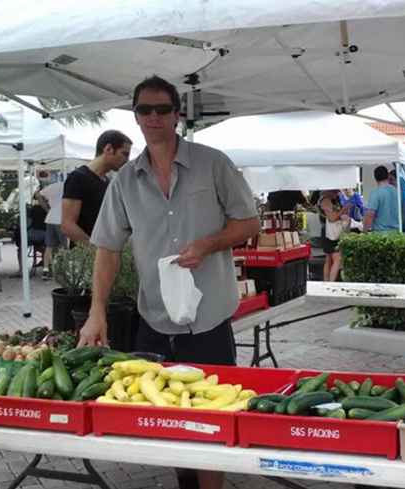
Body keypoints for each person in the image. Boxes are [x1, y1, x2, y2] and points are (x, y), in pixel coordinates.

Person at [78, 76, 259, 489]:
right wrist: (96, 313)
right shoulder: (124, 182)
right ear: (136, 117)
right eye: (146, 110)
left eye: (163, 109)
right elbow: (107, 249)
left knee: (213, 420)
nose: (154, 117)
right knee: (167, 418)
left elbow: (249, 222)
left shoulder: (213, 163)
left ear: (177, 114)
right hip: (154, 319)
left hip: (209, 317)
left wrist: (209, 244)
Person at [61, 130, 132, 243]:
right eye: (124, 154)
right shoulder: (78, 178)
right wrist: (95, 251)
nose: (127, 160)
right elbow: (67, 225)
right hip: (89, 256)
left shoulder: (107, 181)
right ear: (108, 149)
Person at [318, 190, 350, 281]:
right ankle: (330, 282)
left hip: (328, 232)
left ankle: (326, 282)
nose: (337, 194)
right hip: (331, 233)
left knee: (329, 259)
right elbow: (332, 218)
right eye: (335, 192)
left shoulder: (331, 199)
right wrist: (343, 210)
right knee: (337, 259)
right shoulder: (325, 201)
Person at [40, 177, 67, 280]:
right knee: (65, 247)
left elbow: (38, 195)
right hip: (61, 219)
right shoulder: (69, 186)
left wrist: (46, 208)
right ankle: (64, 271)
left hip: (50, 218)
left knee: (49, 246)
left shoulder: (53, 186)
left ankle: (46, 270)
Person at [363, 166, 400, 232]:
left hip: (380, 234)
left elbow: (370, 214)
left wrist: (364, 231)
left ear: (375, 178)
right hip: (396, 232)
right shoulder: (397, 191)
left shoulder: (375, 193)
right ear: (388, 176)